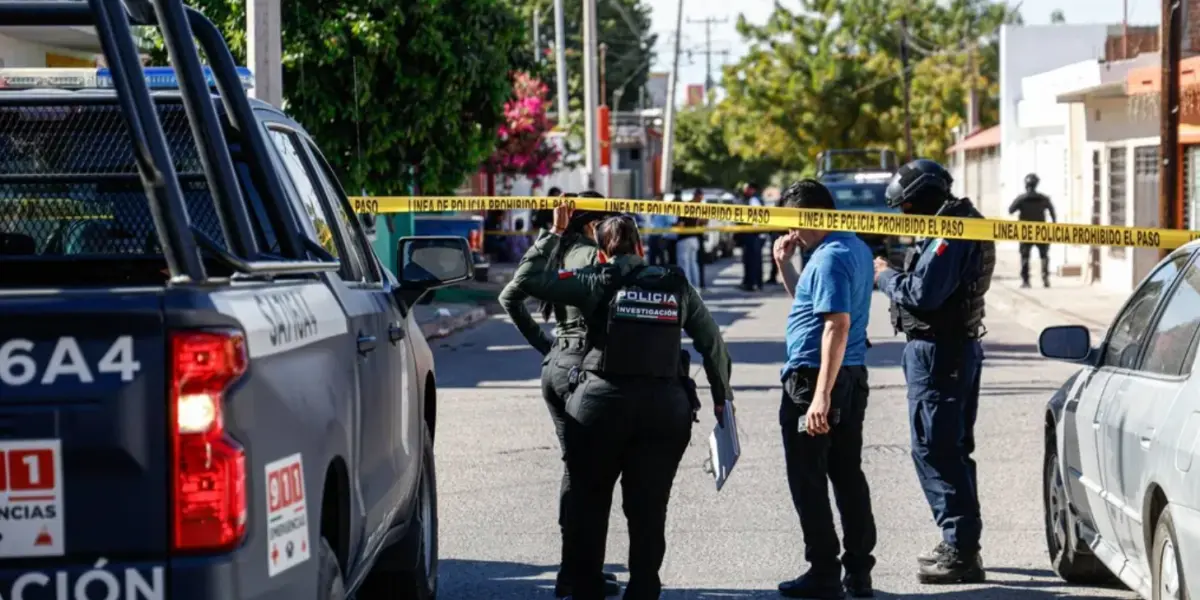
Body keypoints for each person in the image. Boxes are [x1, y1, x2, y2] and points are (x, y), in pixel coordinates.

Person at [517, 206, 733, 600]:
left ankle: (585, 588)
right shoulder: (676, 284)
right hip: (664, 411)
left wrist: (554, 232)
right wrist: (722, 399)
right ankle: (645, 587)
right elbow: (712, 343)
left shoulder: (593, 278)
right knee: (649, 506)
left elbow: (526, 281)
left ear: (601, 253)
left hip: (600, 408)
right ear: (642, 246)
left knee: (589, 502)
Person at [873, 159, 993, 584]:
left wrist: (885, 277)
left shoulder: (952, 231)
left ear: (923, 197)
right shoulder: (958, 222)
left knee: (935, 448)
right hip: (952, 349)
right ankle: (962, 542)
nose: (904, 215)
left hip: (941, 353)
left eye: (907, 206)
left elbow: (924, 293)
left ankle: (959, 549)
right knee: (951, 448)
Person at [497, 190, 622, 598]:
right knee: (592, 476)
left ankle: (575, 571)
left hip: (557, 366)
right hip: (582, 368)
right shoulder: (590, 257)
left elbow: (510, 296)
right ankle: (580, 575)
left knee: (577, 470)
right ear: (593, 225)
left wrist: (547, 347)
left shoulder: (559, 252)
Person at [771, 180, 877, 599]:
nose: (792, 233)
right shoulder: (852, 247)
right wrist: (785, 265)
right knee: (847, 474)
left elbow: (836, 324)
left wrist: (819, 396)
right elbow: (812, 307)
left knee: (809, 478)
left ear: (812, 214)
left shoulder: (831, 257)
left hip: (816, 379)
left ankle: (823, 571)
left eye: (795, 223)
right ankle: (858, 572)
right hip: (845, 375)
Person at [1008, 173, 1057, 288]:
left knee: (1025, 256)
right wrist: (1053, 226)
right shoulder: (1044, 198)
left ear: (1026, 184)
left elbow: (1010, 210)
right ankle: (1045, 279)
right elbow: (1052, 213)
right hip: (1041, 230)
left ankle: (1026, 281)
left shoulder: (1021, 199)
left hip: (1026, 231)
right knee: (1044, 255)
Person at [737, 182, 766, 291]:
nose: (745, 191)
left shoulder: (754, 200)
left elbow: (757, 219)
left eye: (746, 189)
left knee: (752, 260)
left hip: (753, 235)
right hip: (751, 235)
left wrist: (755, 230)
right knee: (750, 260)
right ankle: (751, 282)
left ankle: (752, 283)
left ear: (751, 189)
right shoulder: (752, 199)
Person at [675, 189, 704, 289]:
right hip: (695, 238)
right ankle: (696, 287)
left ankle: (687, 289)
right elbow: (704, 222)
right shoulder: (700, 208)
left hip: (684, 239)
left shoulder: (686, 207)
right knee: (693, 264)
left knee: (684, 265)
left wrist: (673, 226)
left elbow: (680, 225)